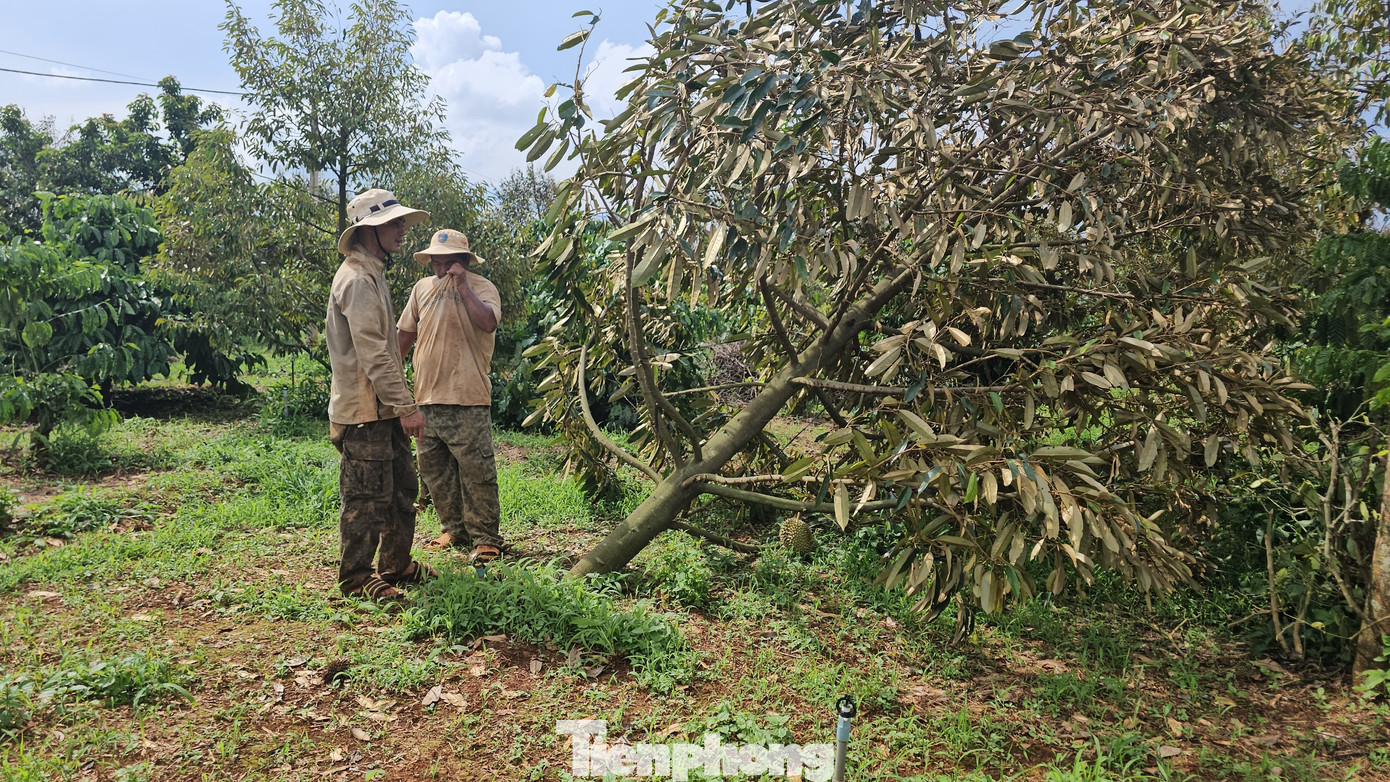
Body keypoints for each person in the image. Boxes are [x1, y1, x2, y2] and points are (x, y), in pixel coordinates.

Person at [326, 188, 436, 601]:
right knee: (366, 498)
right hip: (363, 413)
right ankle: (355, 577)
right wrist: (407, 405)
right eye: (393, 223)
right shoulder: (357, 280)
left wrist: (398, 404)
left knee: (402, 489)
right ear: (368, 230)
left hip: (382, 408)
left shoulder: (373, 274)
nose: (402, 229)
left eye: (401, 222)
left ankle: (395, 564)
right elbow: (373, 353)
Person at [397, 229, 504, 565]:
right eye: (437, 263)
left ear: (464, 261)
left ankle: (486, 538)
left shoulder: (482, 288)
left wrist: (462, 286)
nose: (442, 269)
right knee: (435, 471)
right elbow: (404, 335)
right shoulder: (421, 289)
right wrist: (386, 375)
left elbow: (487, 323)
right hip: (426, 397)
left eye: (449, 263)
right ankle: (454, 529)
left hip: (468, 397)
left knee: (477, 472)